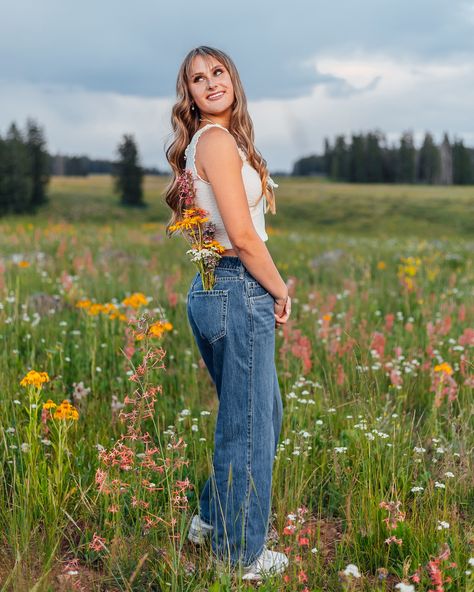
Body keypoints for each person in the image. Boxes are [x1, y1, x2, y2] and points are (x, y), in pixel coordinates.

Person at [164, 46, 292, 581]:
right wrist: (280, 288)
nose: (211, 82)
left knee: (260, 415)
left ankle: (214, 521)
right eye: (198, 78)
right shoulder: (215, 141)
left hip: (219, 287)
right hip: (236, 286)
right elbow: (241, 236)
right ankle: (241, 555)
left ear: (232, 79)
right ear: (189, 95)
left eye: (217, 72)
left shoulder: (221, 140)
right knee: (251, 426)